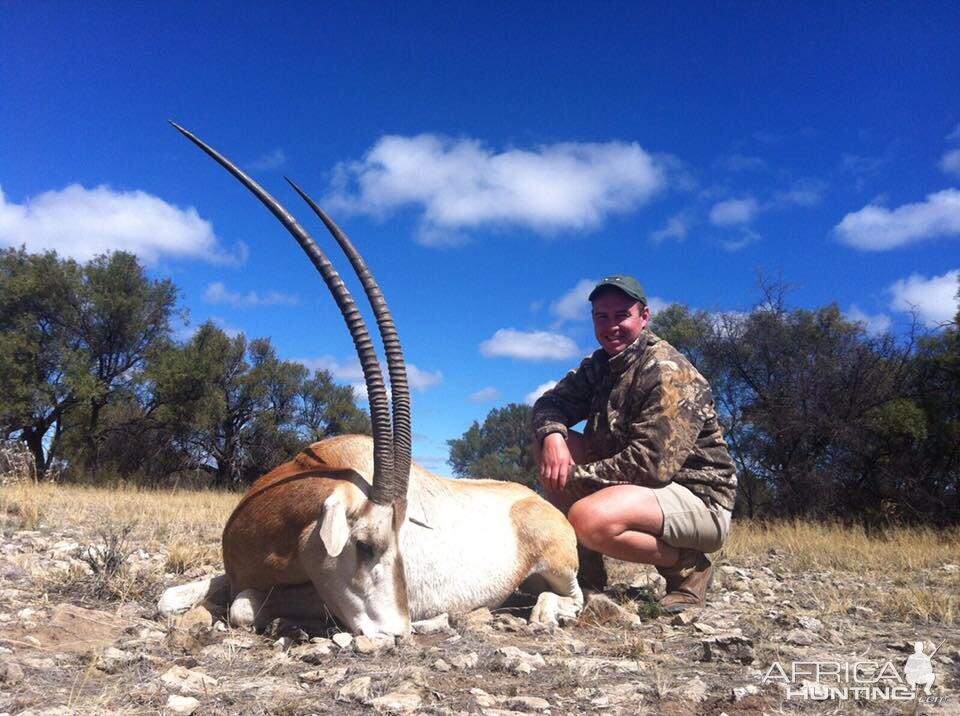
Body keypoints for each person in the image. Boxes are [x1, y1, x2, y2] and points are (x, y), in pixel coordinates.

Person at [531, 275, 737, 613]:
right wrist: (553, 434)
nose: (611, 326)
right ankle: (583, 573)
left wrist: (572, 478)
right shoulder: (600, 366)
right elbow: (548, 404)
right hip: (638, 487)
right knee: (546, 445)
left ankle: (688, 568)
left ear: (645, 316)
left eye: (622, 315)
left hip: (698, 498)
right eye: (602, 316)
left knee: (587, 518)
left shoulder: (669, 371)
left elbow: (651, 465)